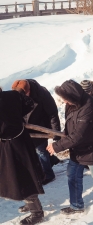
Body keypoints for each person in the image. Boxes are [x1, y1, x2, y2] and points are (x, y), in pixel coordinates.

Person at [46, 80, 93, 214]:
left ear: (74, 96)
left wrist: (57, 146)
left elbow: (79, 135)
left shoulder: (89, 107)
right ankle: (76, 205)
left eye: (66, 99)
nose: (65, 102)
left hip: (92, 149)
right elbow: (70, 121)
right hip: (78, 149)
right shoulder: (72, 102)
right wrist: (66, 132)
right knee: (72, 174)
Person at [0, 88, 45, 225]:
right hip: (20, 140)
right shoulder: (13, 94)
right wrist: (19, 117)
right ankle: (29, 202)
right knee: (17, 177)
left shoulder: (12, 95)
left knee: (24, 177)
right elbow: (30, 104)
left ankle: (37, 212)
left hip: (13, 145)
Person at [12, 79, 61, 185]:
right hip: (27, 129)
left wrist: (56, 134)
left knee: (40, 151)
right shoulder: (18, 94)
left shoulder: (42, 95)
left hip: (40, 127)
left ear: (28, 90)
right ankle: (52, 160)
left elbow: (53, 114)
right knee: (36, 150)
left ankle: (48, 175)